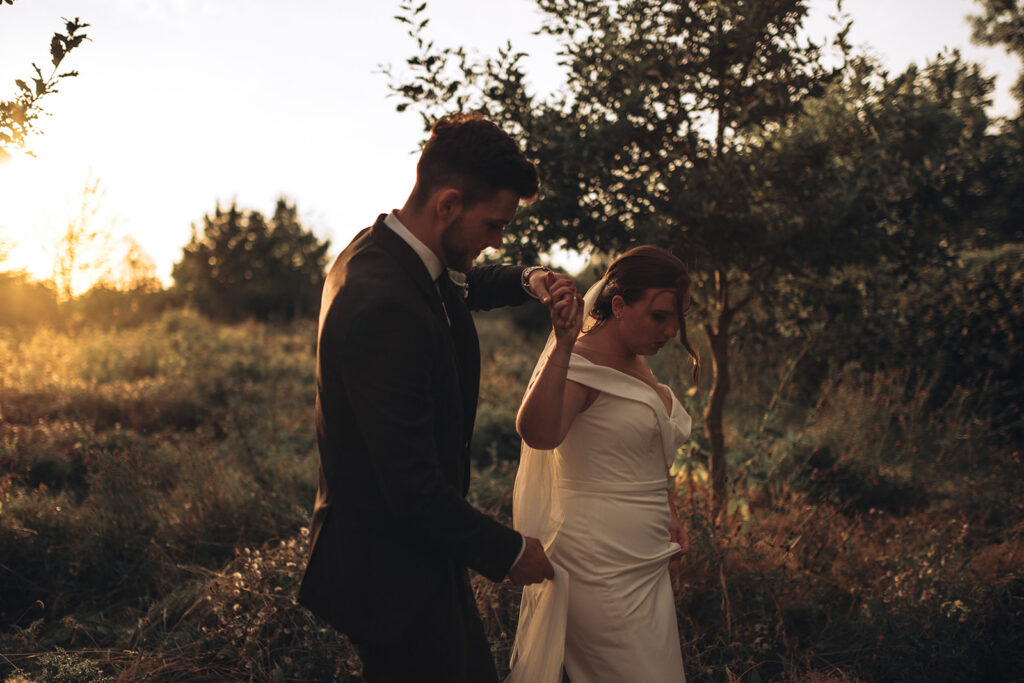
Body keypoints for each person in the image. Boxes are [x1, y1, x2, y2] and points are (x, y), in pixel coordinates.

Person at [297, 113, 571, 682]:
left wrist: (527, 280)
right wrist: (510, 551)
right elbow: (410, 487)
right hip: (389, 568)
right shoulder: (385, 306)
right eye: (494, 224)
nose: (499, 239)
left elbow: (458, 289)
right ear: (448, 204)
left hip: (415, 550)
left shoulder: (386, 252)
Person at [508, 245, 700, 682]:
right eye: (660, 316)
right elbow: (537, 433)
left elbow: (638, 450)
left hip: (645, 558)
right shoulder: (579, 364)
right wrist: (561, 346)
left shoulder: (639, 364)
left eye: (678, 318)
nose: (672, 330)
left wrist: (668, 510)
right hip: (595, 560)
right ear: (618, 305)